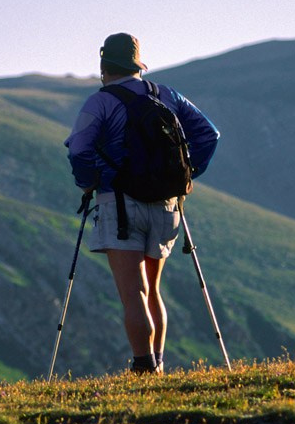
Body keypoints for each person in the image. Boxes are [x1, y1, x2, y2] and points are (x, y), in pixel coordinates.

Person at [65, 33, 220, 374]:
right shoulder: (167, 95)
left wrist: (88, 180)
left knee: (133, 293)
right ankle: (158, 365)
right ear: (137, 63)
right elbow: (209, 134)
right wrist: (187, 173)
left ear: (105, 64)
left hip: (119, 204)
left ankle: (143, 368)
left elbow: (79, 149)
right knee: (153, 291)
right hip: (167, 206)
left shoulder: (101, 102)